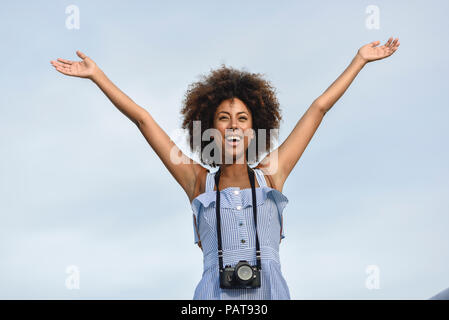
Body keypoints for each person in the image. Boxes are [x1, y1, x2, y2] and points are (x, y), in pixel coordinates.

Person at [50, 37, 400, 299]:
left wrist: (359, 60)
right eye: (224, 118)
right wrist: (98, 76)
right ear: (209, 128)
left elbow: (319, 108)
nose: (233, 125)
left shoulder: (271, 173)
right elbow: (143, 120)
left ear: (254, 129)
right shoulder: (197, 181)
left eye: (242, 119)